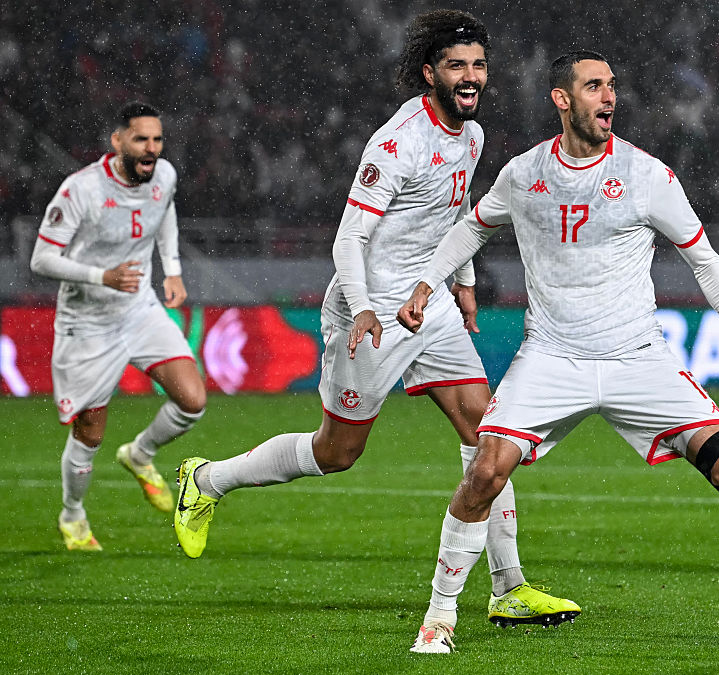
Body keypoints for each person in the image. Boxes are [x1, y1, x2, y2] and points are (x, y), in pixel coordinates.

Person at [399, 50, 719, 656]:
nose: (608, 97)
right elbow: (473, 226)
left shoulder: (646, 174)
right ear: (561, 98)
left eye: (612, 87)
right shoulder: (524, 175)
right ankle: (438, 621)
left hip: (638, 358)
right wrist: (427, 282)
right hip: (552, 357)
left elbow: (703, 257)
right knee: (485, 471)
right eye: (594, 86)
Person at [172, 9, 578, 627]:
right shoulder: (396, 142)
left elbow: (456, 211)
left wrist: (462, 283)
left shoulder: (472, 136)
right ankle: (208, 480)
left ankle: (508, 587)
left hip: (430, 302)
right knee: (337, 453)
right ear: (429, 73)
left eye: (478, 66)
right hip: (373, 312)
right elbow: (348, 238)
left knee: (490, 436)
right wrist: (362, 308)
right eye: (456, 67)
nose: (471, 78)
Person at [30, 101, 207, 551]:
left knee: (192, 400)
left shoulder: (163, 176)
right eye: (141, 139)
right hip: (86, 320)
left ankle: (140, 454)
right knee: (90, 430)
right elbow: (41, 259)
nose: (151, 149)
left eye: (157, 139)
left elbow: (163, 210)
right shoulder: (81, 190)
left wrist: (171, 269)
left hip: (138, 308)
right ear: (118, 141)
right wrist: (100, 276)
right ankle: (73, 517)